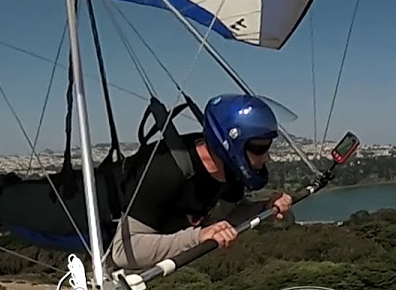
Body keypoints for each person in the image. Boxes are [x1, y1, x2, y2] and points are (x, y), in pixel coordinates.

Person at [106, 93, 293, 271]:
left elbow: (230, 215)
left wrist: (265, 208)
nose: (267, 157)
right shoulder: (166, 172)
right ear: (230, 144)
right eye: (260, 148)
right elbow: (124, 251)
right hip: (106, 219)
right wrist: (198, 237)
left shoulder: (228, 170)